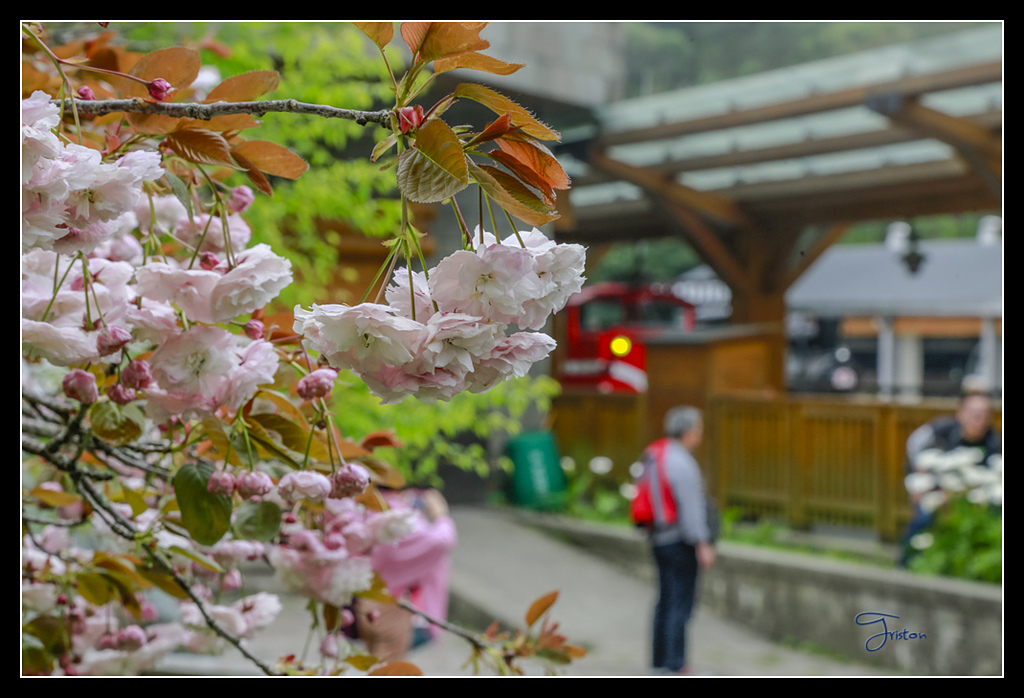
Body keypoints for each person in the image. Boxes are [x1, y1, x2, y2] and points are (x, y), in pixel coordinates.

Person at [640, 405, 716, 676]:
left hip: (658, 537)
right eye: (697, 430)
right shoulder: (682, 461)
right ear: (687, 431)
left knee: (664, 599)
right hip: (679, 541)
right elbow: (691, 508)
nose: (699, 435)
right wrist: (702, 543)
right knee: (680, 603)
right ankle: (676, 661)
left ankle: (659, 659)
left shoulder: (654, 454)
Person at [898, 390, 1001, 566]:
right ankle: (904, 565)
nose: (979, 418)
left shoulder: (994, 441)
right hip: (936, 491)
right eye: (974, 413)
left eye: (984, 414)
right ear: (960, 413)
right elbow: (915, 451)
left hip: (975, 498)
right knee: (924, 518)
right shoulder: (939, 431)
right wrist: (922, 484)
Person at [355, 488, 457, 662]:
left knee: (377, 660)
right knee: (389, 667)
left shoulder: (364, 511)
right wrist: (441, 514)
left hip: (367, 602)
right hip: (393, 606)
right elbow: (441, 541)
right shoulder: (398, 520)